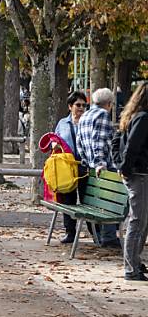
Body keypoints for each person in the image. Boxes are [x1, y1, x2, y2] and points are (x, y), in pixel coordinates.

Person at [76, 88, 122, 247]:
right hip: (103, 167)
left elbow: (79, 143)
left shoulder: (85, 116)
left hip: (89, 165)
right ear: (109, 104)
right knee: (109, 202)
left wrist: (87, 161)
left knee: (100, 202)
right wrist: (100, 163)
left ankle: (105, 236)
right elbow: (100, 142)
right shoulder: (102, 115)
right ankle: (109, 237)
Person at [117, 83, 148, 282]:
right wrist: (126, 168)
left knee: (141, 221)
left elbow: (117, 140)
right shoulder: (143, 118)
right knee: (138, 221)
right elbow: (132, 146)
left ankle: (134, 262)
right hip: (140, 174)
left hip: (137, 173)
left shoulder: (132, 116)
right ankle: (131, 267)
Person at [54, 91, 89, 243]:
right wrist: (54, 144)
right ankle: (70, 232)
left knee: (87, 200)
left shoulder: (88, 122)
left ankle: (95, 232)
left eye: (84, 105)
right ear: (70, 106)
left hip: (84, 167)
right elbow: (54, 140)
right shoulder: (62, 123)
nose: (81, 108)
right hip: (67, 169)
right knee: (68, 200)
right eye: (78, 105)